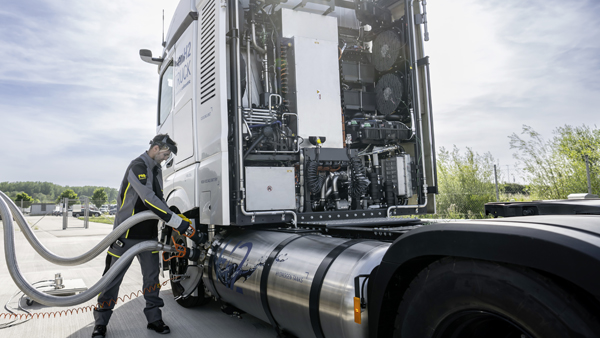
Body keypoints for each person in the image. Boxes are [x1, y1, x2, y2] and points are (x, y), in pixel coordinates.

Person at [92, 134, 197, 338]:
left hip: (148, 236)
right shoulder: (138, 166)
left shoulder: (156, 171)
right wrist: (176, 222)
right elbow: (148, 200)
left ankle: (154, 319)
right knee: (112, 280)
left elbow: (159, 200)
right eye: (165, 154)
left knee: (152, 278)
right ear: (156, 148)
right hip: (126, 234)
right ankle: (101, 323)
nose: (166, 158)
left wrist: (178, 219)